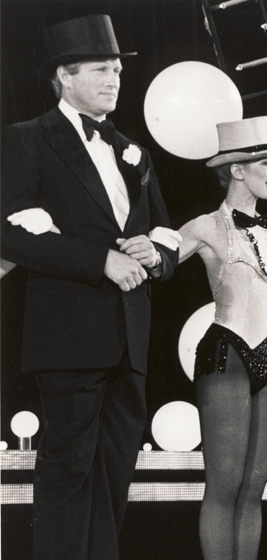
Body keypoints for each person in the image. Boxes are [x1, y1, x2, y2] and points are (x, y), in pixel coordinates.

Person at [0, 15, 178, 560]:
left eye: (119, 69)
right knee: (68, 472)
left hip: (130, 336)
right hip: (69, 335)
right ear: (63, 76)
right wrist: (99, 260)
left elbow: (165, 231)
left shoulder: (132, 150)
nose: (114, 79)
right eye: (102, 68)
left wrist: (158, 254)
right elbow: (10, 229)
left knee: (114, 472)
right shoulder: (28, 139)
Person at [176, 117, 267, 560]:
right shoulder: (207, 225)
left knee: (253, 488)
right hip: (227, 355)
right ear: (238, 169)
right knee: (224, 486)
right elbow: (158, 258)